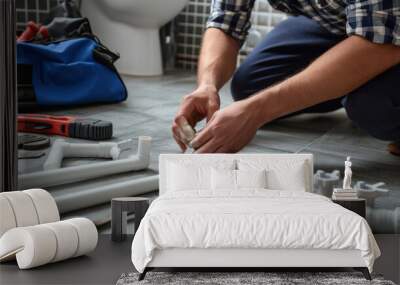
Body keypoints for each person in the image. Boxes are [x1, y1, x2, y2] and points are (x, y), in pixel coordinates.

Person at [172, 0, 400, 154]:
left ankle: (365, 86)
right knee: (252, 87)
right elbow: (225, 21)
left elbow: (380, 42)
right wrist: (206, 85)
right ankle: (347, 76)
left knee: (372, 107)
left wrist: (255, 111)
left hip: (388, 33)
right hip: (336, 23)